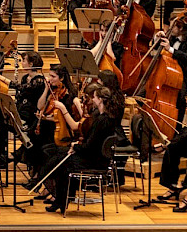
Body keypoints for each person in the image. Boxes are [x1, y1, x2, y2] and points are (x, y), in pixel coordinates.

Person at [40, 82, 124, 213]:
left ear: (100, 100)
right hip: (94, 156)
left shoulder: (103, 120)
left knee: (60, 161)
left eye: (94, 97)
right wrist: (77, 146)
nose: (92, 100)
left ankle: (61, 199)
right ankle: (61, 199)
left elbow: (91, 146)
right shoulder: (104, 117)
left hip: (94, 160)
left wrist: (76, 147)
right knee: (57, 152)